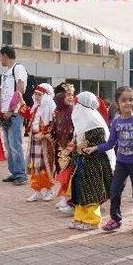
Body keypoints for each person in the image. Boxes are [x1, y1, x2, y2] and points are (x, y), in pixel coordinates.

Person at [85, 86, 133, 233]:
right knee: (114, 191)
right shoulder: (116, 122)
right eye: (124, 100)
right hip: (121, 163)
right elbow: (110, 143)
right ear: (117, 103)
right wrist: (95, 148)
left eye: (131, 100)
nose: (128, 103)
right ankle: (115, 219)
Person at [69, 91, 114, 230]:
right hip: (81, 162)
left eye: (77, 103)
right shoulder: (80, 122)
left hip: (94, 163)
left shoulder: (94, 121)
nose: (75, 107)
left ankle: (92, 220)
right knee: (78, 189)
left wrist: (86, 145)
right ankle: (79, 218)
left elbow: (100, 141)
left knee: (91, 191)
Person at [0, 46, 28, 186]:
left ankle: (21, 174)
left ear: (5, 55)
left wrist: (10, 109)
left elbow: (19, 90)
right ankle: (14, 172)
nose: (0, 59)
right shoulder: (4, 73)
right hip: (5, 114)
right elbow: (1, 94)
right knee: (9, 146)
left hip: (14, 113)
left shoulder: (18, 68)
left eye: (0, 56)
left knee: (15, 144)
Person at [22, 83, 57, 202]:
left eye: (40, 94)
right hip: (34, 140)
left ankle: (49, 189)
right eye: (35, 94)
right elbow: (30, 118)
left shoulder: (51, 109)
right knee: (35, 166)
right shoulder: (36, 107)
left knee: (45, 166)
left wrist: (43, 134)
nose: (37, 96)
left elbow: (53, 125)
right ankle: (37, 190)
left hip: (45, 142)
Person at [51, 83, 75, 214]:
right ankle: (64, 196)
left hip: (70, 148)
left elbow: (76, 129)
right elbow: (54, 129)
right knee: (61, 173)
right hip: (60, 147)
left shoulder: (73, 110)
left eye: (72, 95)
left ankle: (67, 198)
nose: (71, 97)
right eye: (68, 95)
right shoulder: (58, 111)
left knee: (67, 174)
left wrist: (72, 145)